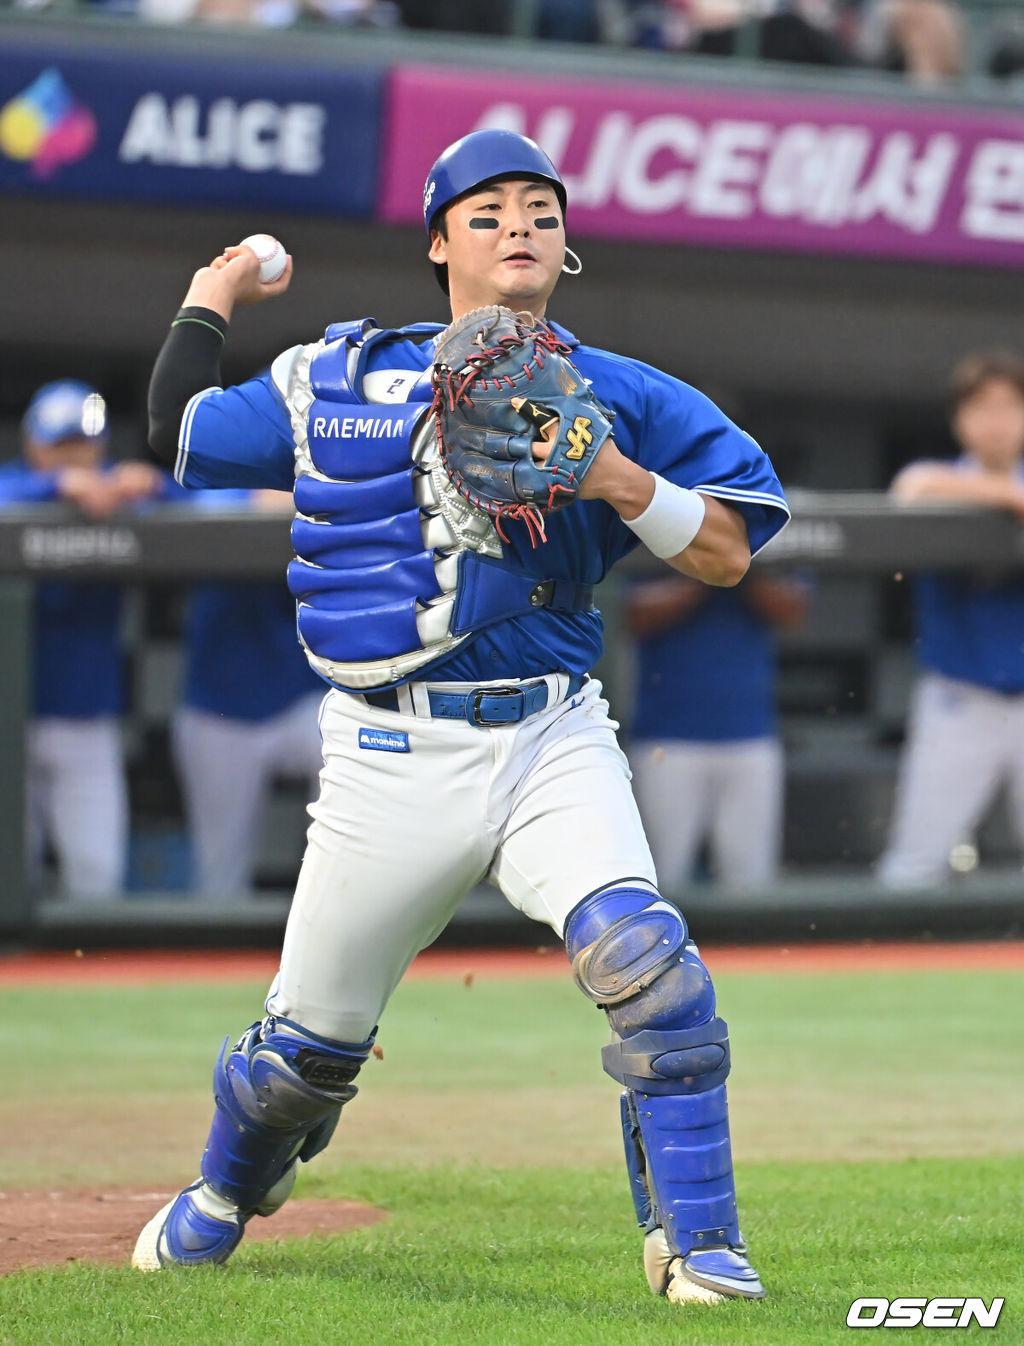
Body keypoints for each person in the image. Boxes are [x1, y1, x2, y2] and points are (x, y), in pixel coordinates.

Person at [130, 129, 789, 1306]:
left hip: (550, 732)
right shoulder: (342, 377)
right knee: (300, 1060)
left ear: (566, 243)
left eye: (540, 206)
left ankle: (700, 1249)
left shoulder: (622, 391)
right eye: (485, 211)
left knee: (653, 972)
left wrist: (618, 479)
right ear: (439, 243)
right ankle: (226, 1191)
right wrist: (211, 292)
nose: (519, 224)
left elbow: (733, 549)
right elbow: (175, 435)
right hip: (390, 744)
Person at [0, 380, 167, 898]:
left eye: (83, 445)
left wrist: (151, 484)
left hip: (86, 720)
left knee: (96, 880)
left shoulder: (119, 497)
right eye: (61, 446)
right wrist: (56, 486)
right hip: (9, 722)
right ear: (33, 445)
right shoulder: (15, 487)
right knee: (9, 884)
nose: (74, 457)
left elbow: (210, 500)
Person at [878, 350, 1024, 888]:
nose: (997, 420)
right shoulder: (935, 479)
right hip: (959, 698)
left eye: (1011, 406)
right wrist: (1009, 497)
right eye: (982, 407)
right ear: (960, 419)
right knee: (916, 866)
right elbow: (911, 487)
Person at [174, 493, 326, 897]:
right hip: (221, 708)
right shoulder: (219, 478)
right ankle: (216, 957)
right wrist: (247, 501)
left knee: (352, 747)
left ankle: (333, 906)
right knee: (219, 877)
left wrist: (304, 497)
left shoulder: (324, 463)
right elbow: (188, 503)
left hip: (302, 701)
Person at [626, 572, 808, 892]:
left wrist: (738, 567)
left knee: (750, 880)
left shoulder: (761, 530)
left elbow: (793, 610)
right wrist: (704, 569)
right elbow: (632, 615)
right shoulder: (651, 523)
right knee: (655, 878)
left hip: (750, 732)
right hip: (666, 737)